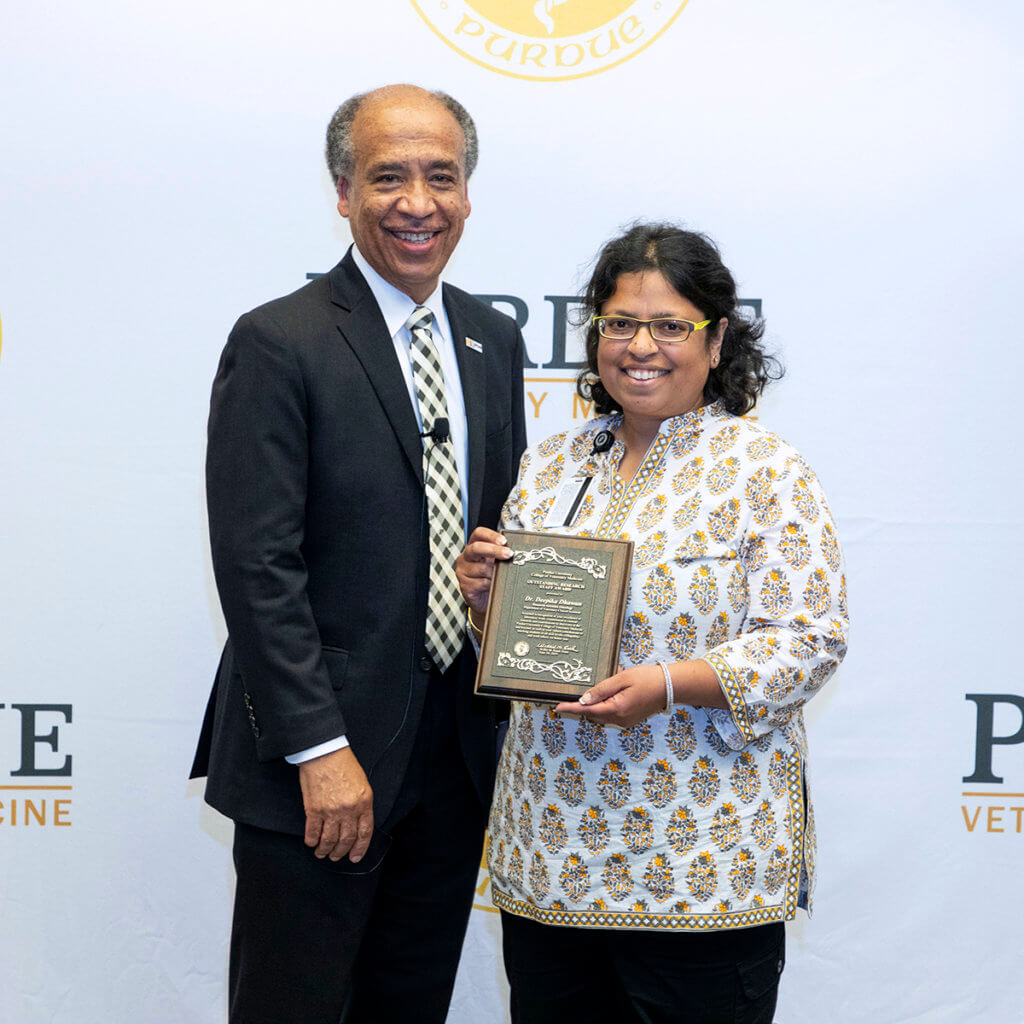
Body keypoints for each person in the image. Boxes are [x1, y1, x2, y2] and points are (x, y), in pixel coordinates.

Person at [191, 84, 527, 1024]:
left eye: (441, 177)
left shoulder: (492, 339)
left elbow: (496, 533)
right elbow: (258, 566)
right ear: (343, 191)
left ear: (467, 194)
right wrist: (319, 748)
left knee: (408, 1004)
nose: (417, 202)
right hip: (321, 765)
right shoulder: (277, 340)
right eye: (388, 177)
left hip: (454, 757)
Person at [457, 223, 848, 1024]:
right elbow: (519, 648)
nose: (642, 346)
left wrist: (668, 686)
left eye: (671, 326)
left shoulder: (766, 470)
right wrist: (484, 604)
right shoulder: (553, 464)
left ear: (717, 340)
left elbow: (809, 639)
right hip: (552, 856)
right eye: (619, 324)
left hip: (702, 864)